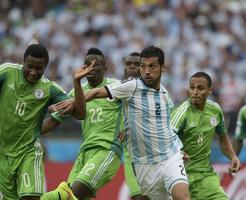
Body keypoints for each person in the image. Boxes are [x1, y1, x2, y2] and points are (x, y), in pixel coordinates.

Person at [0, 44, 90, 200]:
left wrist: (76, 83)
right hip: (1, 153)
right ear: (23, 62)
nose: (33, 72)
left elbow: (81, 113)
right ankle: (60, 195)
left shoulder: (49, 88)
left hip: (28, 152)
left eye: (39, 68)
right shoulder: (7, 71)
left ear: (45, 67)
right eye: (29, 66)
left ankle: (59, 196)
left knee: (30, 198)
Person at [54, 46, 191, 200]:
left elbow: (166, 127)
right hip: (144, 164)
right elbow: (96, 92)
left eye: (152, 66)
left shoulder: (165, 94)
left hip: (169, 158)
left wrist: (178, 148)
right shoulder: (131, 86)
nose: (146, 71)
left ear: (162, 68)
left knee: (183, 196)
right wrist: (73, 100)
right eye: (143, 66)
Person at [42, 47, 125, 200]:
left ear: (105, 68)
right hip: (84, 152)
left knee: (70, 195)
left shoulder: (116, 87)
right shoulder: (75, 92)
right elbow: (54, 120)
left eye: (96, 64)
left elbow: (136, 105)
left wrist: (129, 127)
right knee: (74, 197)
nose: (91, 68)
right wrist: (28, 132)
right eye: (87, 64)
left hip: (107, 149)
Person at [170, 72, 241, 200]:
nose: (195, 92)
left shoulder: (215, 110)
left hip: (205, 175)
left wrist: (232, 156)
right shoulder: (181, 113)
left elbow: (222, 137)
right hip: (181, 176)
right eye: (192, 87)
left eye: (200, 88)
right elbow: (165, 140)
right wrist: (178, 152)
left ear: (209, 90)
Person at [123, 52, 148, 200]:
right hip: (131, 155)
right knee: (138, 196)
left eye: (136, 64)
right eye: (128, 64)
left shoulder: (157, 91)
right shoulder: (117, 89)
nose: (132, 67)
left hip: (154, 156)